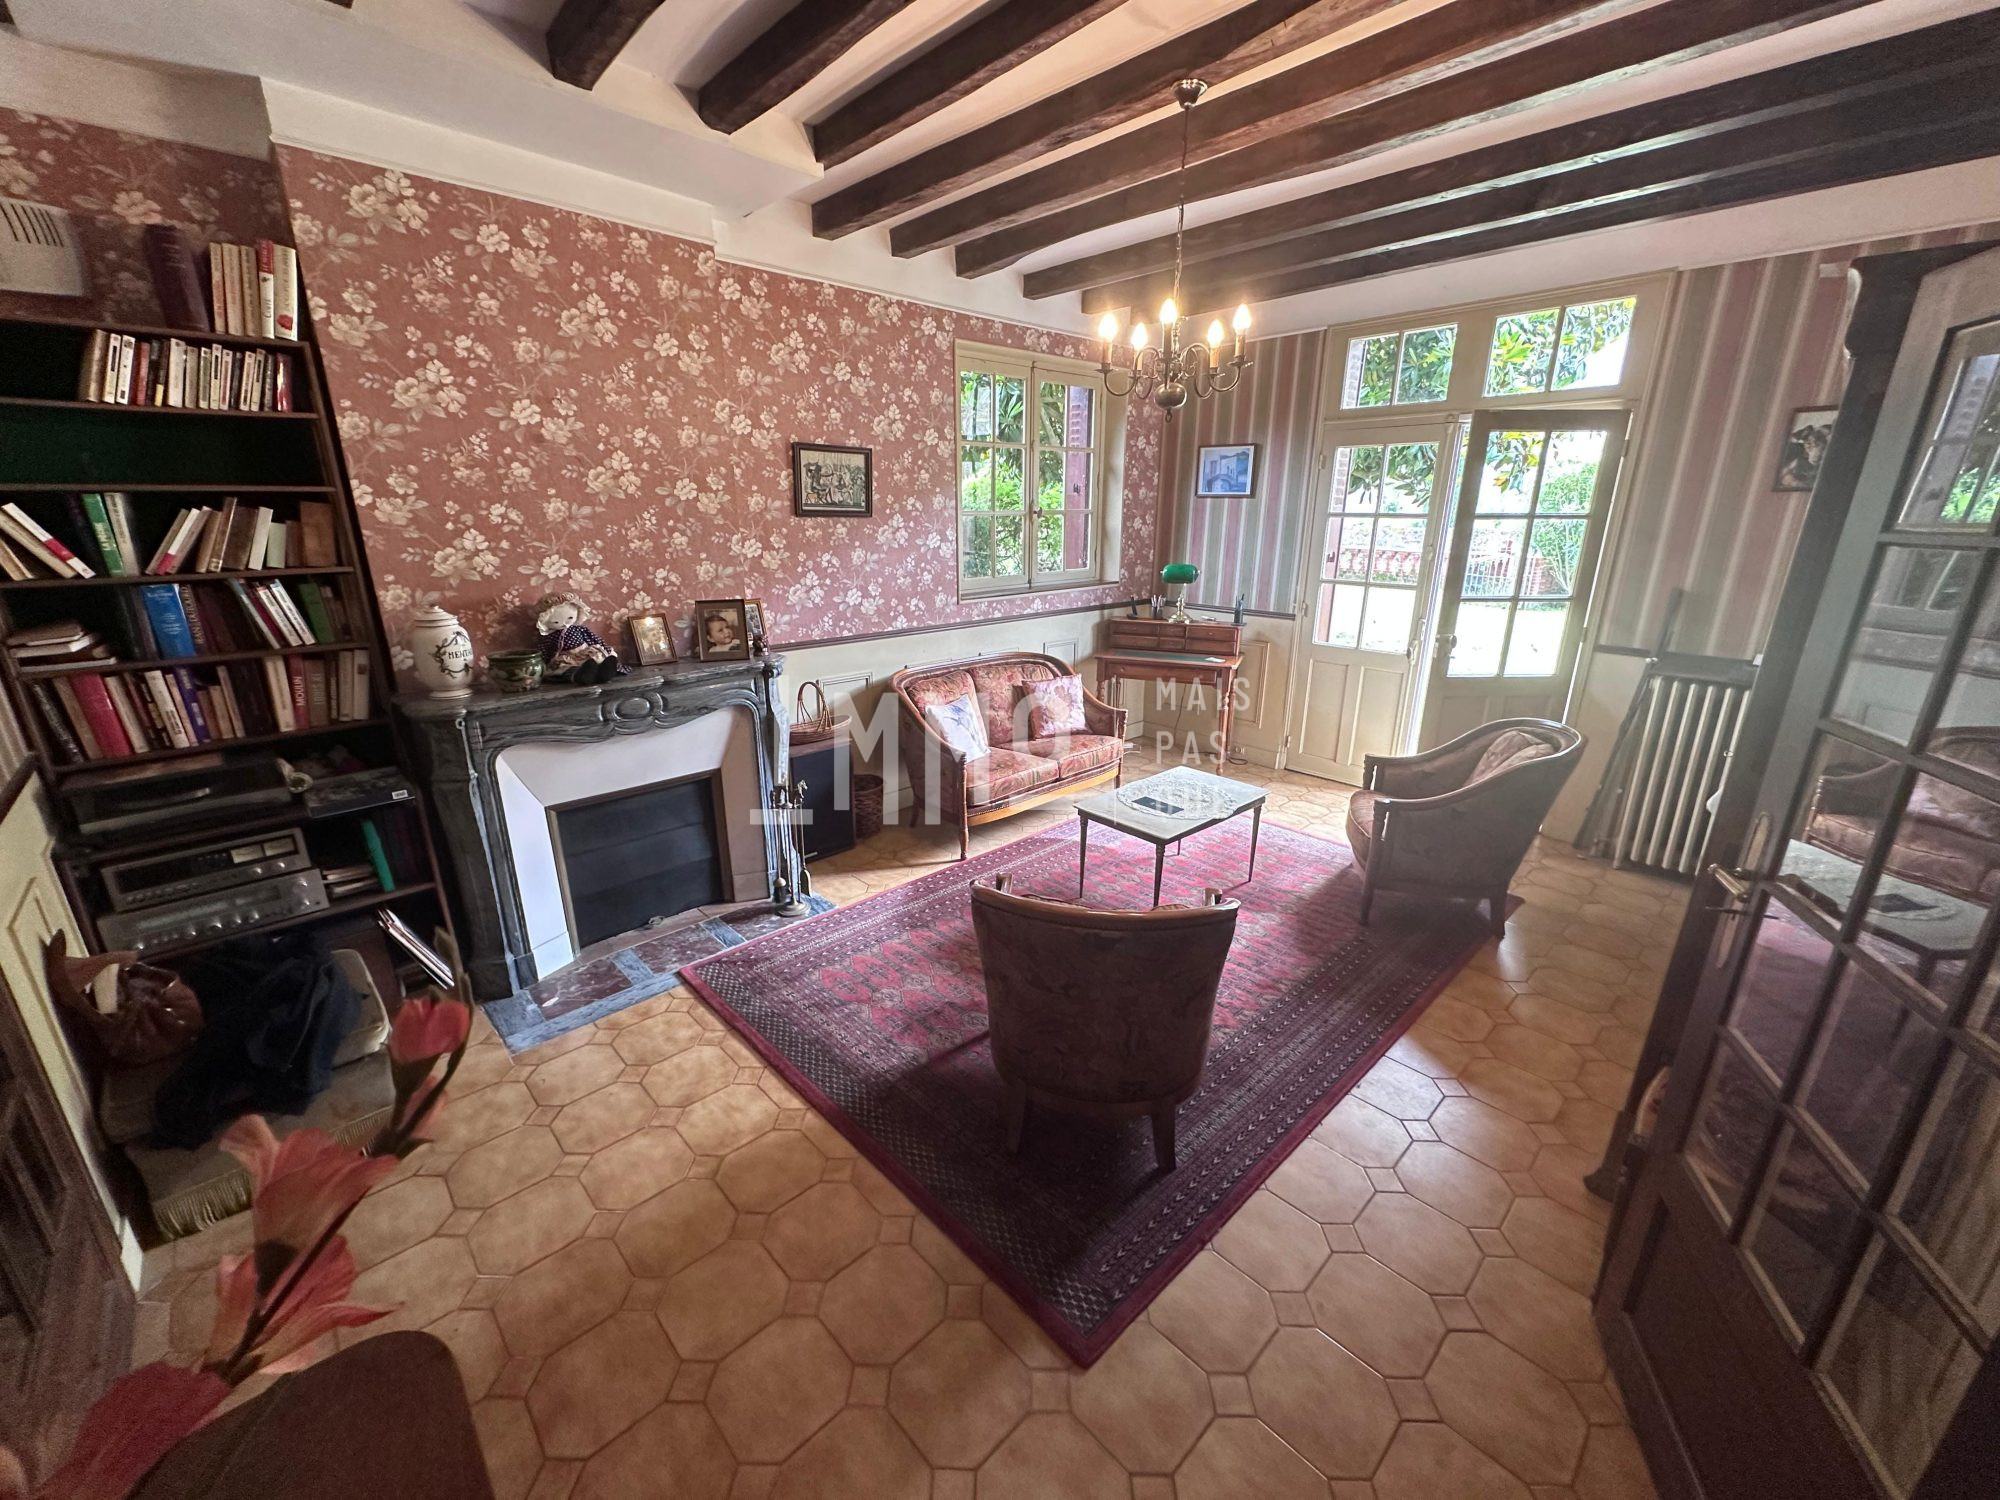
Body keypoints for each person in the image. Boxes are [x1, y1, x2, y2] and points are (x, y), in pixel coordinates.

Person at [535, 591, 625, 684]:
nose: (565, 624)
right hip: (566, 658)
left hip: (584, 654)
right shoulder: (550, 636)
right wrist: (540, 664)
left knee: (595, 660)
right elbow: (543, 650)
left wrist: (607, 650)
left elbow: (594, 639)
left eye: (570, 618)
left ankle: (603, 673)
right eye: (556, 622)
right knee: (565, 668)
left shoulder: (579, 629)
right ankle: (581, 676)